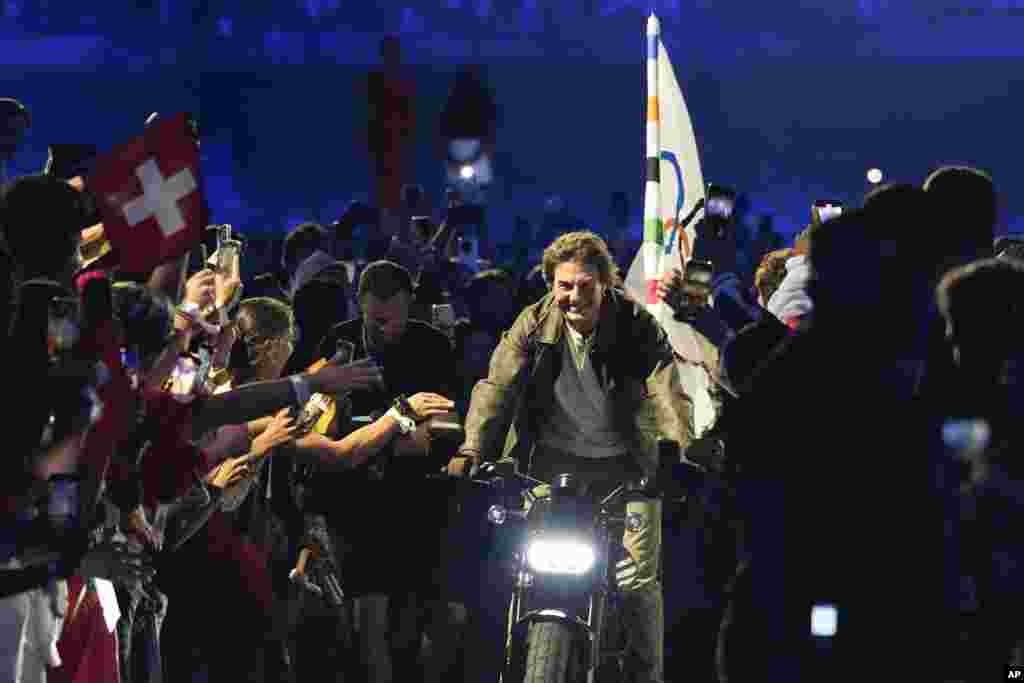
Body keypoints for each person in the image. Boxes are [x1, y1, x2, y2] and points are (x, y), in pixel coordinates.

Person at [448, 230, 698, 683]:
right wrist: (472, 449)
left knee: (636, 582)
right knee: (516, 565)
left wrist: (673, 451)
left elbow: (667, 392)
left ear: (606, 284)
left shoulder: (637, 325)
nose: (574, 296)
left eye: (585, 285)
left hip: (628, 470)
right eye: (564, 286)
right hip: (550, 468)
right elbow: (497, 388)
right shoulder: (532, 323)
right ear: (551, 285)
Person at [312, 259, 460, 682]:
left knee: (417, 616)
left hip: (416, 498)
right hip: (355, 499)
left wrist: (391, 432)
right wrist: (389, 432)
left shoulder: (431, 346)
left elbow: (440, 423)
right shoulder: (338, 345)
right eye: (375, 320)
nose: (383, 330)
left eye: (392, 320)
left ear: (408, 307)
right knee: (367, 615)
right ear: (359, 305)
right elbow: (321, 418)